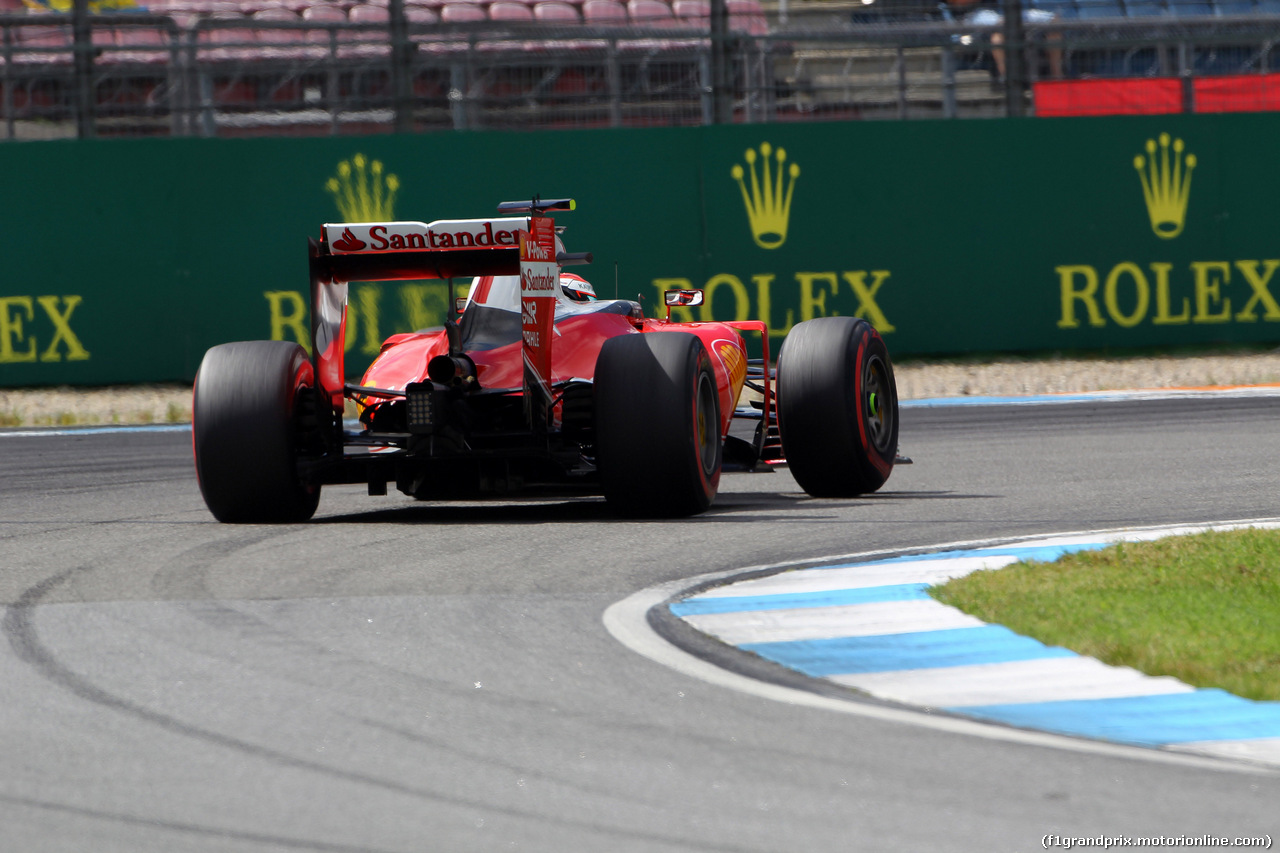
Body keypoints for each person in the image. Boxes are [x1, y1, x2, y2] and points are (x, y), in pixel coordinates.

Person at [941, 0, 1063, 83]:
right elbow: (958, 2)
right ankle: (1008, 80)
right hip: (976, 14)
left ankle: (1057, 76)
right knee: (999, 32)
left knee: (1053, 21)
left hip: (1009, 11)